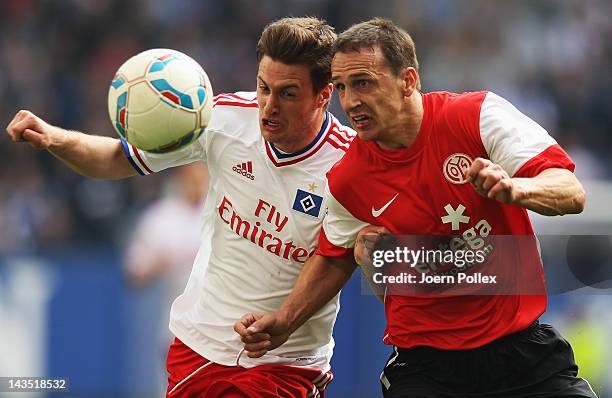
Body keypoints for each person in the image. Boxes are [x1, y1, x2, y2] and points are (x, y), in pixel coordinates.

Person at [235, 18, 596, 398]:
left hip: (523, 356)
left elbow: (570, 190)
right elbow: (334, 255)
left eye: (363, 83)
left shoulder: (477, 116)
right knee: (367, 247)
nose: (351, 101)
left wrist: (515, 189)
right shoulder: (349, 178)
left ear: (408, 81)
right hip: (427, 369)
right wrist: (285, 320)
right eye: (341, 87)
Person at [5, 17, 356, 397]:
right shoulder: (224, 119)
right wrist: (55, 137)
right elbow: (115, 159)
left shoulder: (350, 165)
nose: (268, 107)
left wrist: (287, 320)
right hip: (198, 349)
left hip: (284, 363)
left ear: (325, 95)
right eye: (263, 88)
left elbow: (340, 258)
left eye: (287, 94)